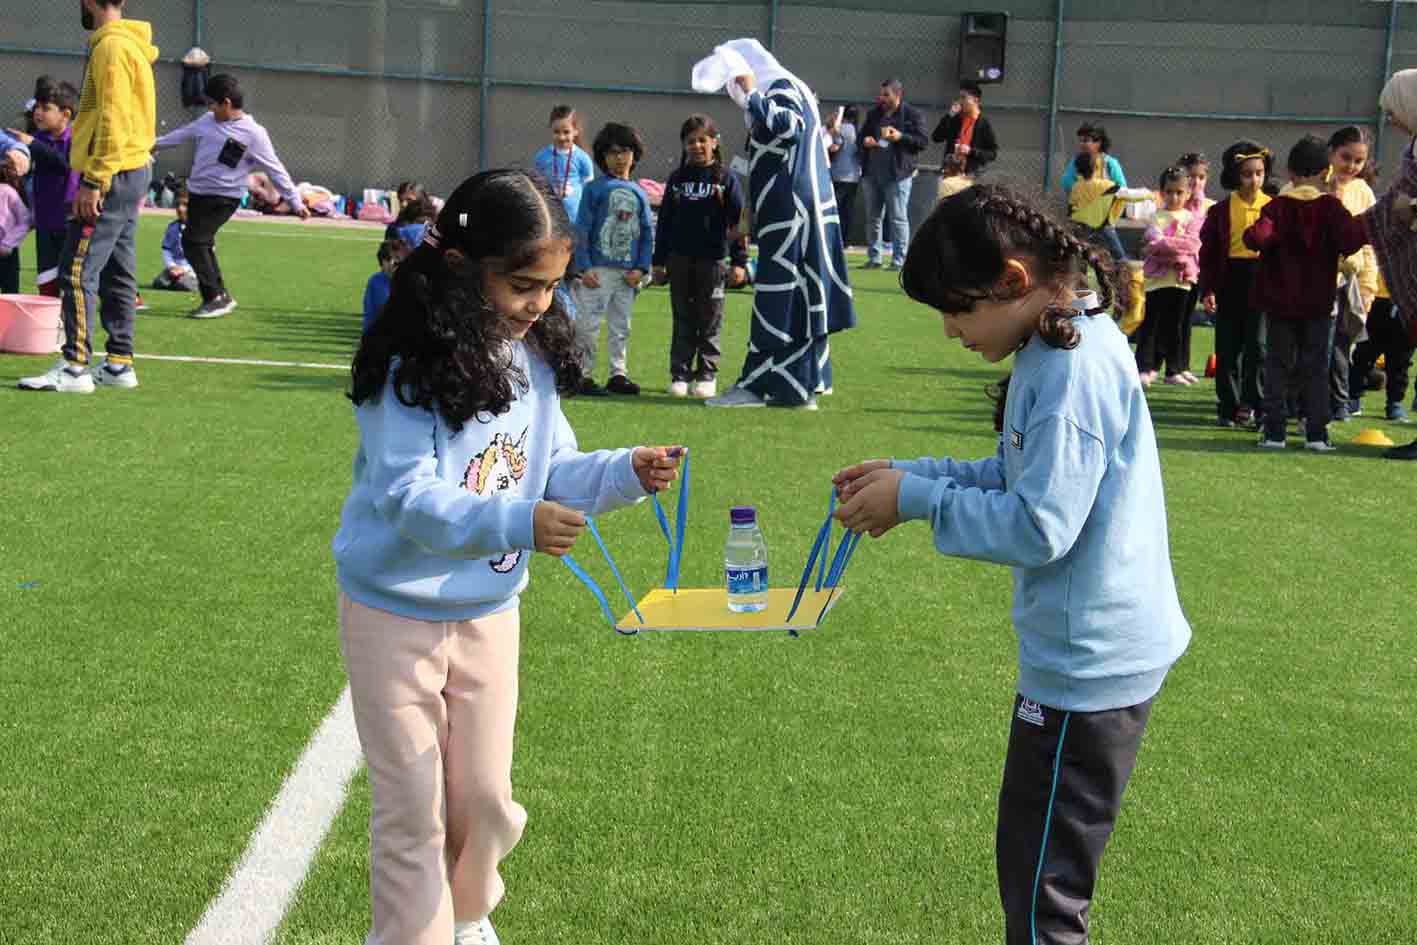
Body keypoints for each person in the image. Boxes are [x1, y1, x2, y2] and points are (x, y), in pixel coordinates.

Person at [832, 183, 1189, 945]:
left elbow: (1038, 526)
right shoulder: (1057, 339)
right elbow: (1018, 474)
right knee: (1033, 874)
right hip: (1084, 659)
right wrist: (910, 474)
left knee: (1042, 897)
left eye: (957, 310)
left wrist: (918, 499)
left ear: (1012, 282)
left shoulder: (1067, 369)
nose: (951, 331)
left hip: (1087, 669)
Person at [335, 170, 682, 945]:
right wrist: (518, 522)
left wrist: (626, 470)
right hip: (391, 611)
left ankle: (466, 912)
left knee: (487, 798)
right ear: (462, 267)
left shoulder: (536, 363)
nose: (539, 304)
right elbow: (406, 498)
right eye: (523, 284)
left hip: (489, 612)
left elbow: (553, 469)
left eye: (550, 287)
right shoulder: (407, 367)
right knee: (409, 808)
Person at [692, 39, 856, 409]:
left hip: (790, 213)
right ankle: (801, 384)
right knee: (797, 295)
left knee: (779, 295)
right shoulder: (791, 89)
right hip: (794, 209)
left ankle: (759, 386)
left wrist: (752, 94)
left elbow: (790, 126)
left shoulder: (779, 89)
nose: (735, 93)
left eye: (734, 84)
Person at [19, 0, 157, 395]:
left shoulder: (111, 47)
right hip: (132, 167)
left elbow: (112, 118)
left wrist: (94, 180)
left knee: (77, 270)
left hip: (112, 173)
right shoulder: (126, 43)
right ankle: (118, 363)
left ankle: (75, 366)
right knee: (117, 269)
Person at [1245, 135, 1371, 451]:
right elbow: (1352, 239)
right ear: (1324, 171)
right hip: (1318, 303)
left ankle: (1274, 432)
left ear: (1290, 172)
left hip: (1279, 303)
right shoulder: (1331, 208)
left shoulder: (1276, 208)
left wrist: (1256, 232)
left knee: (1277, 365)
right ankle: (1316, 433)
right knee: (1316, 368)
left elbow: (1256, 239)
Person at [152, 73, 309, 320]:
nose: (209, 109)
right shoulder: (207, 121)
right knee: (199, 243)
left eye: (212, 104)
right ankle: (221, 295)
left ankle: (214, 297)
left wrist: (296, 202)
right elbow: (181, 135)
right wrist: (153, 144)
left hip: (224, 197)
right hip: (199, 194)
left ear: (226, 103)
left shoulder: (254, 133)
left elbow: (274, 168)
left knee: (194, 241)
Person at [651, 113, 748, 400]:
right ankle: (679, 374)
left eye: (702, 140)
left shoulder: (726, 180)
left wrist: (740, 262)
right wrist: (659, 262)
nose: (696, 146)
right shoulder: (677, 180)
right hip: (679, 260)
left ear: (714, 143)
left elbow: (739, 224)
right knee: (682, 317)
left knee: (710, 319)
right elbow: (665, 222)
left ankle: (707, 374)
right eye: (690, 141)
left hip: (714, 261)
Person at [571, 122, 653, 397]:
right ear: (602, 156)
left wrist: (641, 268)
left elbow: (646, 234)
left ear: (635, 154)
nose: (620, 158)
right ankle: (581, 374)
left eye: (625, 151)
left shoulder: (641, 193)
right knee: (588, 324)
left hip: (627, 274)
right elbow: (582, 229)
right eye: (613, 152)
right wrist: (583, 267)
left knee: (622, 326)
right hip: (597, 271)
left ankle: (619, 374)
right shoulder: (594, 189)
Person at [1199, 141, 1272, 428]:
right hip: (1230, 279)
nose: (1254, 180)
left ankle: (1253, 404)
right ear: (1234, 175)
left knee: (1258, 345)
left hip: (1262, 281)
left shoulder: (1273, 207)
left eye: (1259, 173)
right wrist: (1208, 289)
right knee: (1228, 347)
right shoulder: (1220, 210)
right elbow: (1208, 253)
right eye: (1247, 174)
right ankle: (1227, 405)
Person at [5, 80, 80, 296]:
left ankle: (71, 325)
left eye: (45, 108)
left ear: (65, 114)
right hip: (45, 222)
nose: (38, 112)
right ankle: (49, 326)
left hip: (70, 223)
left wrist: (33, 146)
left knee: (72, 280)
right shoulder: (38, 139)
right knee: (47, 279)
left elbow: (65, 166)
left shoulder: (76, 141)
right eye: (37, 106)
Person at [1324, 127, 1379, 422]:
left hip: (1349, 283)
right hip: (1315, 280)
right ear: (1331, 152)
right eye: (1346, 157)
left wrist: (1368, 289)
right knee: (1313, 345)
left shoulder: (1363, 191)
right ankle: (1305, 402)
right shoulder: (1315, 184)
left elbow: (1370, 246)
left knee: (1343, 345)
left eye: (1359, 161)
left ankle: (1339, 403)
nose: (1351, 166)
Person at [1134, 166, 1199, 386]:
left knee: (1176, 327)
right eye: (1169, 192)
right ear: (1161, 193)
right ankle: (1145, 367)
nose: (1174, 197)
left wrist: (1166, 247)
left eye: (1179, 192)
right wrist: (1176, 250)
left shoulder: (1191, 218)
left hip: (1180, 281)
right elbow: (1152, 244)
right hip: (1156, 281)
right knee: (1151, 324)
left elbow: (1192, 244)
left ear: (1188, 193)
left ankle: (1174, 370)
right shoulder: (1155, 217)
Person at [858, 78, 927, 270]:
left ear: (898, 95)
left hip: (897, 175)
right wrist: (866, 140)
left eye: (886, 94)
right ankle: (875, 258)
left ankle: (899, 260)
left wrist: (900, 136)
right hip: (872, 173)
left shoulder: (912, 114)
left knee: (897, 218)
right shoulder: (874, 114)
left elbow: (922, 141)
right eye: (881, 94)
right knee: (873, 217)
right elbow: (861, 136)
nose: (881, 98)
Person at [1062, 122, 1128, 261]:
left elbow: (1121, 187)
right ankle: (1075, 265)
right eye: (1081, 140)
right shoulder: (1077, 161)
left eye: (1086, 140)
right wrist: (1084, 192)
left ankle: (1122, 264)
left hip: (1102, 216)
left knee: (1111, 242)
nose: (1082, 144)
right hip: (1084, 215)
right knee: (1076, 245)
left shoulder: (1110, 163)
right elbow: (1067, 183)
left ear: (1099, 142)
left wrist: (1102, 197)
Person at [532, 104, 594, 224]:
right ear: (550, 129)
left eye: (566, 132)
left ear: (575, 131)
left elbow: (588, 184)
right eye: (556, 132)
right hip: (550, 216)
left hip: (575, 217)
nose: (561, 137)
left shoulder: (582, 158)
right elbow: (537, 182)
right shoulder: (542, 156)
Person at [931, 80, 999, 182]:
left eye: (964, 97)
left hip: (970, 176)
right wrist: (949, 115)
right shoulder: (955, 119)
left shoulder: (984, 124)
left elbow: (992, 153)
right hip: (949, 174)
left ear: (976, 100)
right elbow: (936, 137)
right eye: (959, 97)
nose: (960, 101)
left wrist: (971, 151)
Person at [825, 105, 860, 246]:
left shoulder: (840, 129)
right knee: (848, 210)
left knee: (836, 209)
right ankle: (846, 240)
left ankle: (833, 239)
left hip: (838, 174)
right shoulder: (858, 131)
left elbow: (835, 147)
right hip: (854, 175)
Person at [151, 189, 198, 292]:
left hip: (192, 270)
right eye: (178, 204)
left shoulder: (200, 229)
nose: (180, 209)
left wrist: (184, 269)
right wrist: (172, 266)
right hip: (175, 268)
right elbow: (166, 249)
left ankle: (193, 282)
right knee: (159, 282)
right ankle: (176, 280)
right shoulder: (172, 227)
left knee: (184, 284)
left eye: (185, 205)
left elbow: (202, 256)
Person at [360, 238, 405, 334]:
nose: (391, 264)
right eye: (388, 259)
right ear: (381, 261)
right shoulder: (375, 281)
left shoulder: (410, 282)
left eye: (396, 259)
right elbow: (369, 313)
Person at [0, 156, 31, 293]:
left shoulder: (7, 192)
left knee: (10, 295)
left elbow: (25, 220)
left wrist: (7, 243)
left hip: (6, 254)